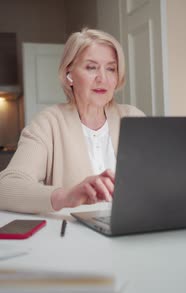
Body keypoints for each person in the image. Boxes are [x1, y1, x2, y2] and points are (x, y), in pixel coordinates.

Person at [0, 27, 145, 214]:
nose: (103, 78)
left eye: (111, 68)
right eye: (91, 67)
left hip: (133, 233)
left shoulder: (133, 117)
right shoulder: (48, 123)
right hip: (73, 239)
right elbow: (5, 188)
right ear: (69, 75)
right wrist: (66, 196)